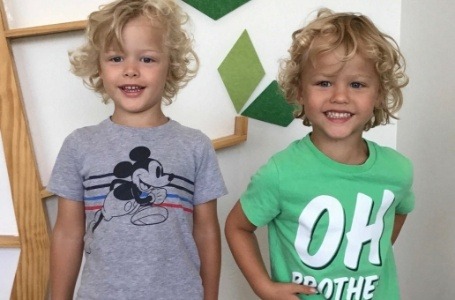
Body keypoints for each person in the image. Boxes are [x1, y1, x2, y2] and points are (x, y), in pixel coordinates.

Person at [225, 8, 413, 300]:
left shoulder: (398, 170)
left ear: (378, 94)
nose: (340, 96)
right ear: (300, 92)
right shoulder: (280, 173)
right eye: (324, 82)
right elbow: (237, 226)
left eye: (357, 84)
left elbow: (398, 211)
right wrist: (264, 287)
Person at [48, 0, 227, 299]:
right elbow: (67, 234)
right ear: (98, 66)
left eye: (147, 59)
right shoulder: (78, 145)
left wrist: (211, 296)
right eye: (116, 58)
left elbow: (207, 231)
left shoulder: (195, 145)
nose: (130, 70)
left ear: (170, 64)